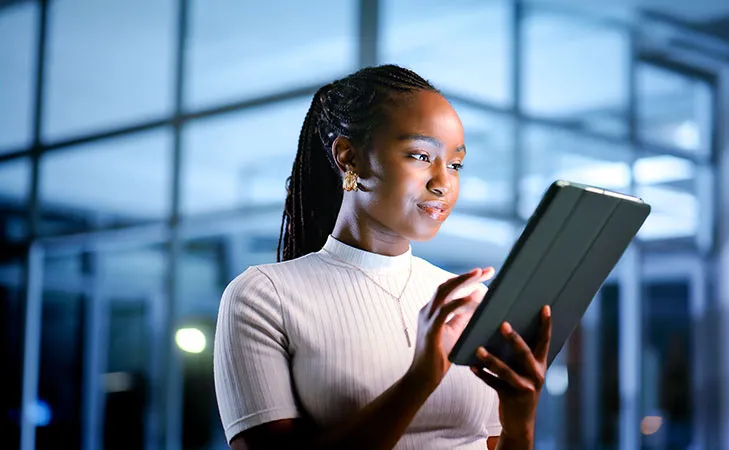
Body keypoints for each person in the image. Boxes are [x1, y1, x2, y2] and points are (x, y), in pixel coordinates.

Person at [213, 64, 552, 450]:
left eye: (455, 164)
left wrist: (520, 425)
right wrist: (420, 379)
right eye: (421, 155)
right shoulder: (263, 296)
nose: (443, 183)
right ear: (350, 158)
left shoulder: (464, 299)